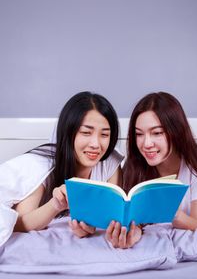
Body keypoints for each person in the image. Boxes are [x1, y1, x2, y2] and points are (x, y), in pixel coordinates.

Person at [106, 92, 197, 248]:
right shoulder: (135, 166)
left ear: (176, 131)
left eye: (157, 133)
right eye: (139, 134)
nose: (146, 143)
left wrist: (173, 215)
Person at [13, 91, 127, 239]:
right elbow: (20, 223)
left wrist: (92, 225)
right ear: (68, 133)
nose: (95, 144)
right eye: (86, 133)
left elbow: (114, 212)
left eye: (104, 135)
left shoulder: (110, 163)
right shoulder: (42, 167)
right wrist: (56, 205)